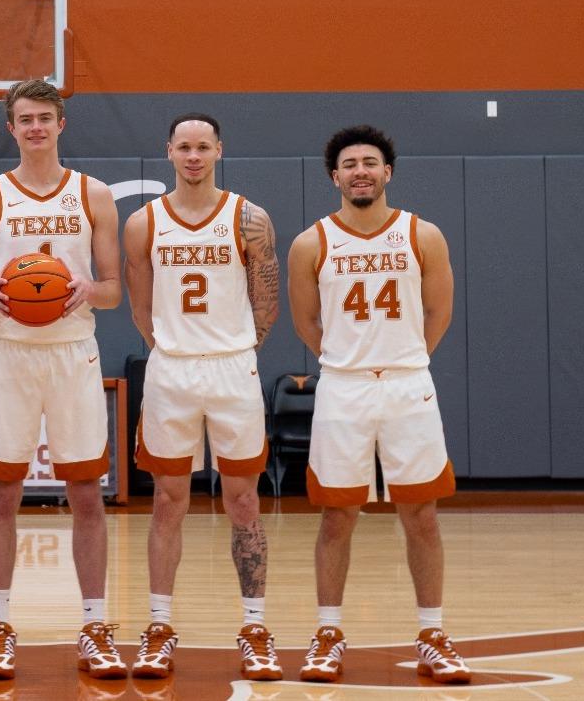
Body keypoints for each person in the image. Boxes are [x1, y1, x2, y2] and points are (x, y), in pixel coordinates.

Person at [287, 125, 471, 684]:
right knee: (337, 514)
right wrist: (348, 363)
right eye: (350, 164)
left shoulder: (423, 235)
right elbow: (306, 323)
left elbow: (438, 312)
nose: (361, 171)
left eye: (371, 162)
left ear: (387, 172)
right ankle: (327, 635)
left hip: (408, 384)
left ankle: (433, 635)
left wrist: (404, 360)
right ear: (334, 177)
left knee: (422, 514)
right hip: (343, 387)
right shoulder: (310, 243)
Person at [0, 79, 125, 680]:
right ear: (11, 127)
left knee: (84, 493)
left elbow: (111, 290)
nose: (35, 128)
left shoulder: (94, 195)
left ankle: (95, 625)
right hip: (11, 354)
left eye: (44, 118)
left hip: (73, 352)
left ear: (61, 125)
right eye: (24, 119)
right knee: (3, 491)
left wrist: (87, 290)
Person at [123, 113, 282, 681]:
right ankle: (159, 627)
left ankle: (255, 628)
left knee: (243, 502)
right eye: (184, 147)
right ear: (168, 151)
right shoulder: (143, 223)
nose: (193, 156)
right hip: (173, 372)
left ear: (219, 150)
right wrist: (173, 350)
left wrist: (237, 350)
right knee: (169, 501)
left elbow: (267, 303)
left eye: (203, 147)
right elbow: (141, 308)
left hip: (233, 370)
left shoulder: (250, 218)